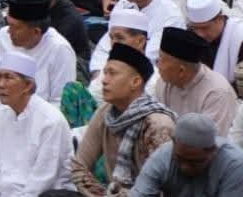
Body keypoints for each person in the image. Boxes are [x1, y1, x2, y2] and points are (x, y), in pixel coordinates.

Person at [72, 42, 175, 197]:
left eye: (112, 73)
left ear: (135, 82)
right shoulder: (105, 112)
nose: (104, 80)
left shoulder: (158, 124)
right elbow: (79, 166)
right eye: (105, 73)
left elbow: (164, 187)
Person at [0, 53, 73, 197]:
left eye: (8, 77)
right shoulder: (0, 115)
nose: (1, 84)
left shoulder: (51, 121)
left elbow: (43, 180)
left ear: (28, 85)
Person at [0, 0, 79, 105]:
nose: (9, 31)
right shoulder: (3, 36)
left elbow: (60, 101)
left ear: (36, 32)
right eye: (8, 24)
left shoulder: (60, 49)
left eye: (15, 27)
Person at [150, 27, 237, 136]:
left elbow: (211, 140)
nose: (157, 64)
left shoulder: (217, 93)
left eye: (162, 59)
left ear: (181, 71)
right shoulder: (164, 82)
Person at [128, 113, 243, 196]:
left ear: (213, 150)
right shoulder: (163, 156)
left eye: (195, 162)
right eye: (179, 159)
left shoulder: (234, 164)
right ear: (173, 143)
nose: (185, 167)